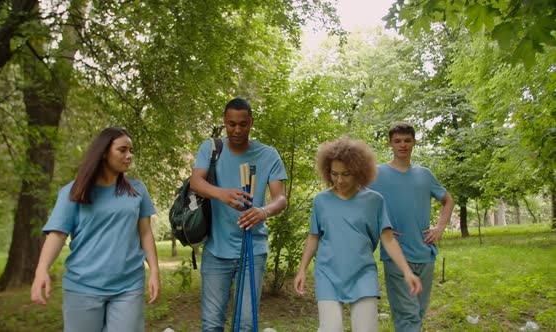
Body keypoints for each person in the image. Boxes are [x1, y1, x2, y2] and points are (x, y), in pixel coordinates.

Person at [30, 127, 160, 332]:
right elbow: (57, 234)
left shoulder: (138, 190)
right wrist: (41, 270)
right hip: (83, 287)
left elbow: (145, 233)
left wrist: (154, 271)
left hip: (128, 286)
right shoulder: (73, 192)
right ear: (103, 153)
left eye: (131, 151)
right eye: (122, 150)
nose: (129, 156)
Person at [294, 136, 422, 332]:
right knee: (331, 328)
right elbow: (314, 236)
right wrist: (302, 269)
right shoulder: (321, 201)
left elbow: (388, 239)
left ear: (359, 171)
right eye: (334, 174)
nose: (340, 180)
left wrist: (406, 271)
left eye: (346, 174)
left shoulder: (374, 201)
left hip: (363, 274)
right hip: (328, 273)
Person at [190, 97, 287, 331]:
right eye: (231, 124)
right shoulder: (211, 148)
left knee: (245, 324)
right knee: (212, 324)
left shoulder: (268, 154)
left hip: (252, 250)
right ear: (224, 121)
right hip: (216, 248)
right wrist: (221, 194)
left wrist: (262, 211)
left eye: (242, 124)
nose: (237, 130)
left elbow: (281, 199)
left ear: (251, 122)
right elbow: (195, 182)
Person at [369, 122, 455, 332]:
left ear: (414, 142)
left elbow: (448, 200)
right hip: (396, 254)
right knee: (407, 316)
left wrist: (439, 228)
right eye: (397, 141)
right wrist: (379, 228)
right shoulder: (377, 174)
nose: (403, 145)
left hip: (425, 254)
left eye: (407, 140)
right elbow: (359, 202)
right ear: (390, 144)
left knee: (416, 313)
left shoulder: (425, 175)